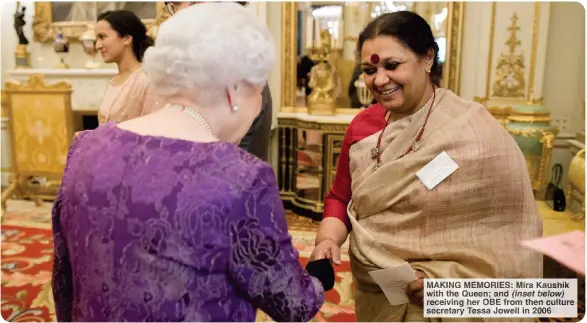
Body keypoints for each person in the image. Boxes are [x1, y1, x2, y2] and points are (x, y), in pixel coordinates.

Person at [52, 3, 327, 322]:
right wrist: (320, 274)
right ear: (234, 88)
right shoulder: (242, 176)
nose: (257, 108)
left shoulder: (86, 147)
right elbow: (292, 305)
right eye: (259, 90)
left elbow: (64, 279)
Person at [310, 11, 543, 321]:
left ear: (428, 58)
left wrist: (448, 285)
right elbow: (341, 197)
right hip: (380, 293)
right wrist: (327, 240)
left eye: (392, 66)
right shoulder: (363, 127)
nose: (379, 80)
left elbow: (511, 237)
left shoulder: (474, 134)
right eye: (369, 69)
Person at [163, 1, 273, 162]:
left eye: (180, 4)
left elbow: (239, 167)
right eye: (172, 6)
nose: (175, 16)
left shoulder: (241, 76)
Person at [95, 10, 162, 125]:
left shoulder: (145, 81)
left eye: (102, 37)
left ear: (126, 39)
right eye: (96, 39)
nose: (97, 45)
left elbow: (153, 132)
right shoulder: (114, 81)